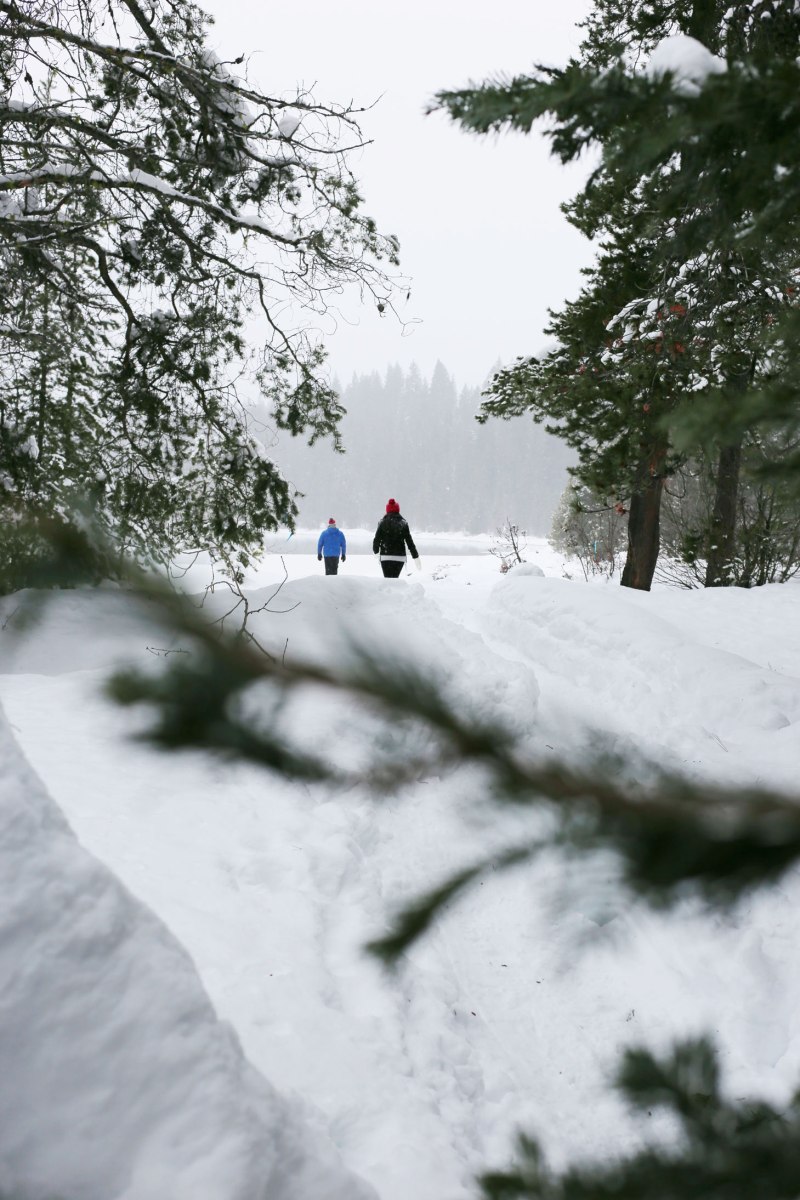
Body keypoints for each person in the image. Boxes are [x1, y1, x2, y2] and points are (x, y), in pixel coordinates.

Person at [373, 498, 420, 577]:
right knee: (395, 579)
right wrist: (415, 556)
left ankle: (389, 589)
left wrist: (376, 551)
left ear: (387, 510)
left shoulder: (382, 523)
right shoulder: (403, 523)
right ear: (398, 510)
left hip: (385, 556)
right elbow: (409, 542)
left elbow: (376, 540)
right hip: (399, 557)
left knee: (387, 579)